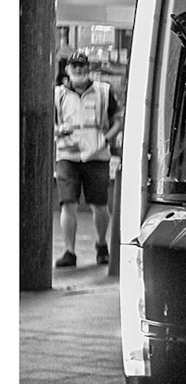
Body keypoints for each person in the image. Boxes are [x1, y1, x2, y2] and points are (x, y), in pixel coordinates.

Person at [54, 53, 122, 266]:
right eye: (74, 66)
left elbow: (117, 120)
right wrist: (58, 130)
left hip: (96, 156)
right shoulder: (57, 95)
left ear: (88, 67)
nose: (78, 69)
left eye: (81, 65)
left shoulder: (103, 91)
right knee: (68, 204)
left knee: (99, 204)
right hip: (67, 156)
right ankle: (69, 251)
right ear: (67, 69)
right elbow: (50, 122)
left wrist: (105, 140)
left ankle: (102, 245)